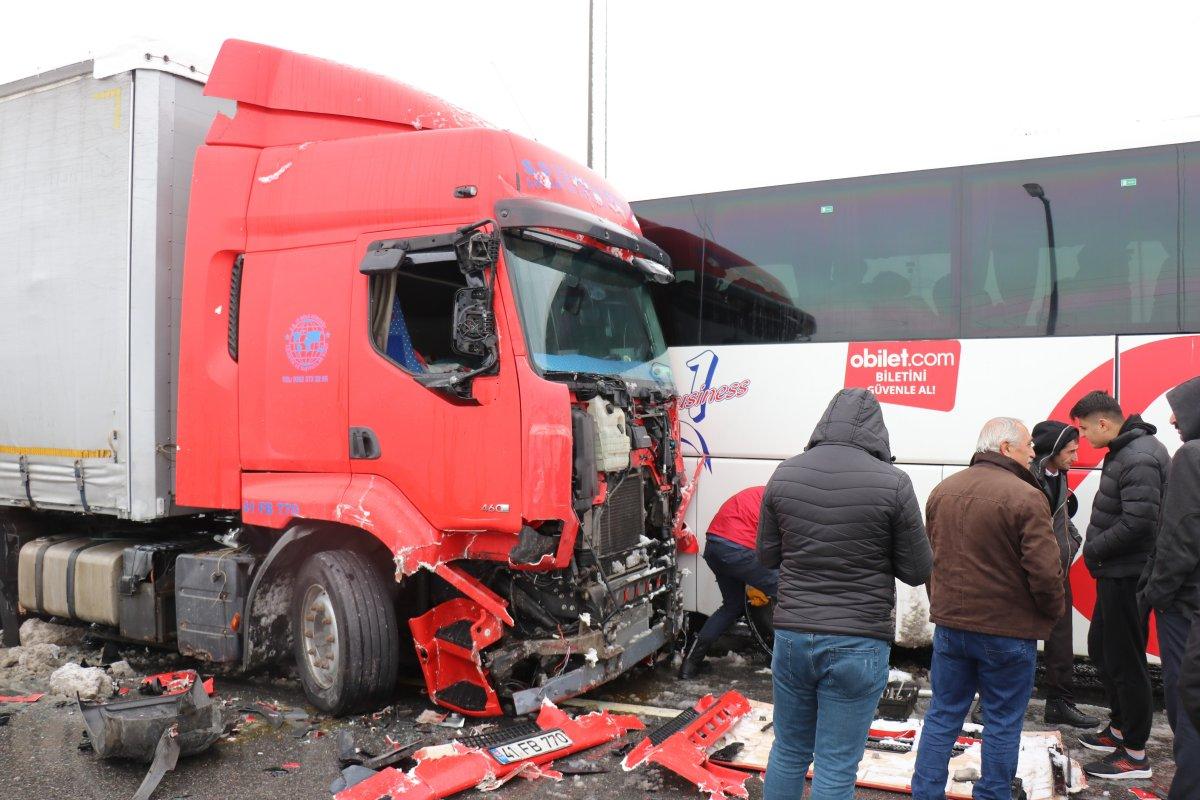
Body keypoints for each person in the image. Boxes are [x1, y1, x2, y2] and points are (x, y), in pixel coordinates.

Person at [758, 388, 932, 800]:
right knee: (836, 765)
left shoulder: (786, 472)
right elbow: (916, 571)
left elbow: (766, 556)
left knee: (788, 751)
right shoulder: (894, 483)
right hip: (859, 639)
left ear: (824, 422)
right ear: (878, 431)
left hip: (793, 635)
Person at [912, 417, 1064, 800]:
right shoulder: (1027, 497)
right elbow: (1046, 573)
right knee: (1002, 722)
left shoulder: (943, 491)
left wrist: (942, 607)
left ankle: (925, 792)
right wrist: (1050, 614)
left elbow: (933, 561)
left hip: (952, 627)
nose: (1033, 451)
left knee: (944, 715)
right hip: (1008, 631)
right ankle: (993, 794)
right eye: (1028, 444)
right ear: (1005, 448)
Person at [1070, 390, 1168, 780]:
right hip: (1117, 571)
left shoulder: (1139, 456)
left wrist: (1093, 549)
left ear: (1104, 424)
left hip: (1129, 573)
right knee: (1103, 649)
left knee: (1126, 661)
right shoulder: (1126, 449)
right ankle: (1120, 727)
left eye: (1084, 430)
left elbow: (1140, 523)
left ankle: (1135, 754)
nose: (1083, 439)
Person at [1138, 376, 1200, 798]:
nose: (1173, 418)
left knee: (1189, 706)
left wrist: (1155, 593)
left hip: (1186, 607)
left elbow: (1180, 536)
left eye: (1180, 407)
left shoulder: (1192, 455)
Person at [1030, 420, 1101, 729]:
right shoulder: (1028, 477)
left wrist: (1070, 542)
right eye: (1071, 450)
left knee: (1061, 636)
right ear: (1054, 450)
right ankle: (993, 702)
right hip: (1029, 569)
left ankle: (1060, 702)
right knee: (1018, 637)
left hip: (1057, 566)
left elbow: (1061, 517)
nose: (1076, 456)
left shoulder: (1059, 473)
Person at [680, 485, 777, 679]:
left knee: (732, 606)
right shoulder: (783, 502)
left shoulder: (759, 492)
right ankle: (783, 659)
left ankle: (690, 664)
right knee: (789, 594)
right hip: (739, 550)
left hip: (714, 548)